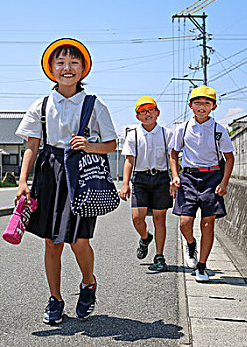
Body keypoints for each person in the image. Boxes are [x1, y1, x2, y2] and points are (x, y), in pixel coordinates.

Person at [15, 38, 117, 324]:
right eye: (60, 62)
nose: (67, 67)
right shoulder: (41, 104)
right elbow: (32, 146)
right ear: (51, 68)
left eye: (74, 62)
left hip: (81, 175)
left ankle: (88, 283)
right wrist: (23, 182)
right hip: (49, 174)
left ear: (83, 69)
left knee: (80, 241)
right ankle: (55, 299)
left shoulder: (94, 104)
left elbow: (111, 144)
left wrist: (88, 145)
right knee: (51, 243)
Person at [169, 85, 234, 282]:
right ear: (190, 105)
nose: (202, 106)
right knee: (185, 222)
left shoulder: (218, 130)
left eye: (207, 103)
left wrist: (224, 182)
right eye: (197, 102)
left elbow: (229, 158)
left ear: (213, 106)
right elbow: (173, 153)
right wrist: (175, 175)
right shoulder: (183, 128)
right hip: (188, 178)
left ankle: (202, 266)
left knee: (208, 223)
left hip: (212, 178)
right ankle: (191, 244)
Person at [119, 96, 174, 272]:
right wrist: (125, 183)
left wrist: (174, 178)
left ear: (157, 113)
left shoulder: (167, 134)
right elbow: (129, 159)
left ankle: (159, 256)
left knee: (160, 219)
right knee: (137, 217)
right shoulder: (133, 134)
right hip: (140, 178)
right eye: (143, 111)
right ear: (138, 116)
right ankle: (145, 237)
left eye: (150, 110)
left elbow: (173, 158)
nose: (147, 114)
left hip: (161, 178)